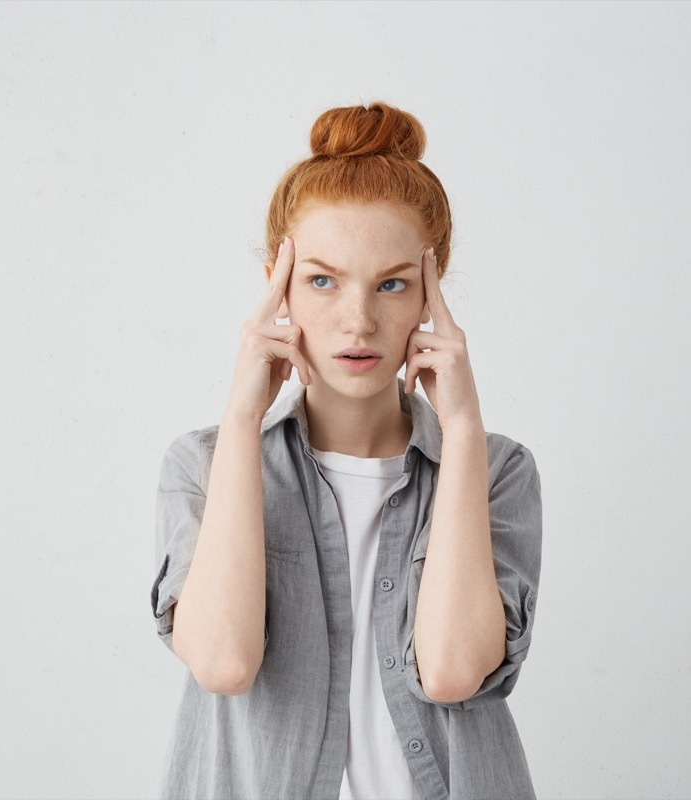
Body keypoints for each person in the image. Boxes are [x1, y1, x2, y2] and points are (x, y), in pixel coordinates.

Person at [151, 101, 543, 800]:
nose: (357, 321)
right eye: (322, 280)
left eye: (391, 283)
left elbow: (453, 671)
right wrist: (243, 418)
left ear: (430, 290)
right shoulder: (205, 463)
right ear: (280, 284)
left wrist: (462, 435)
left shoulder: (496, 469)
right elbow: (224, 663)